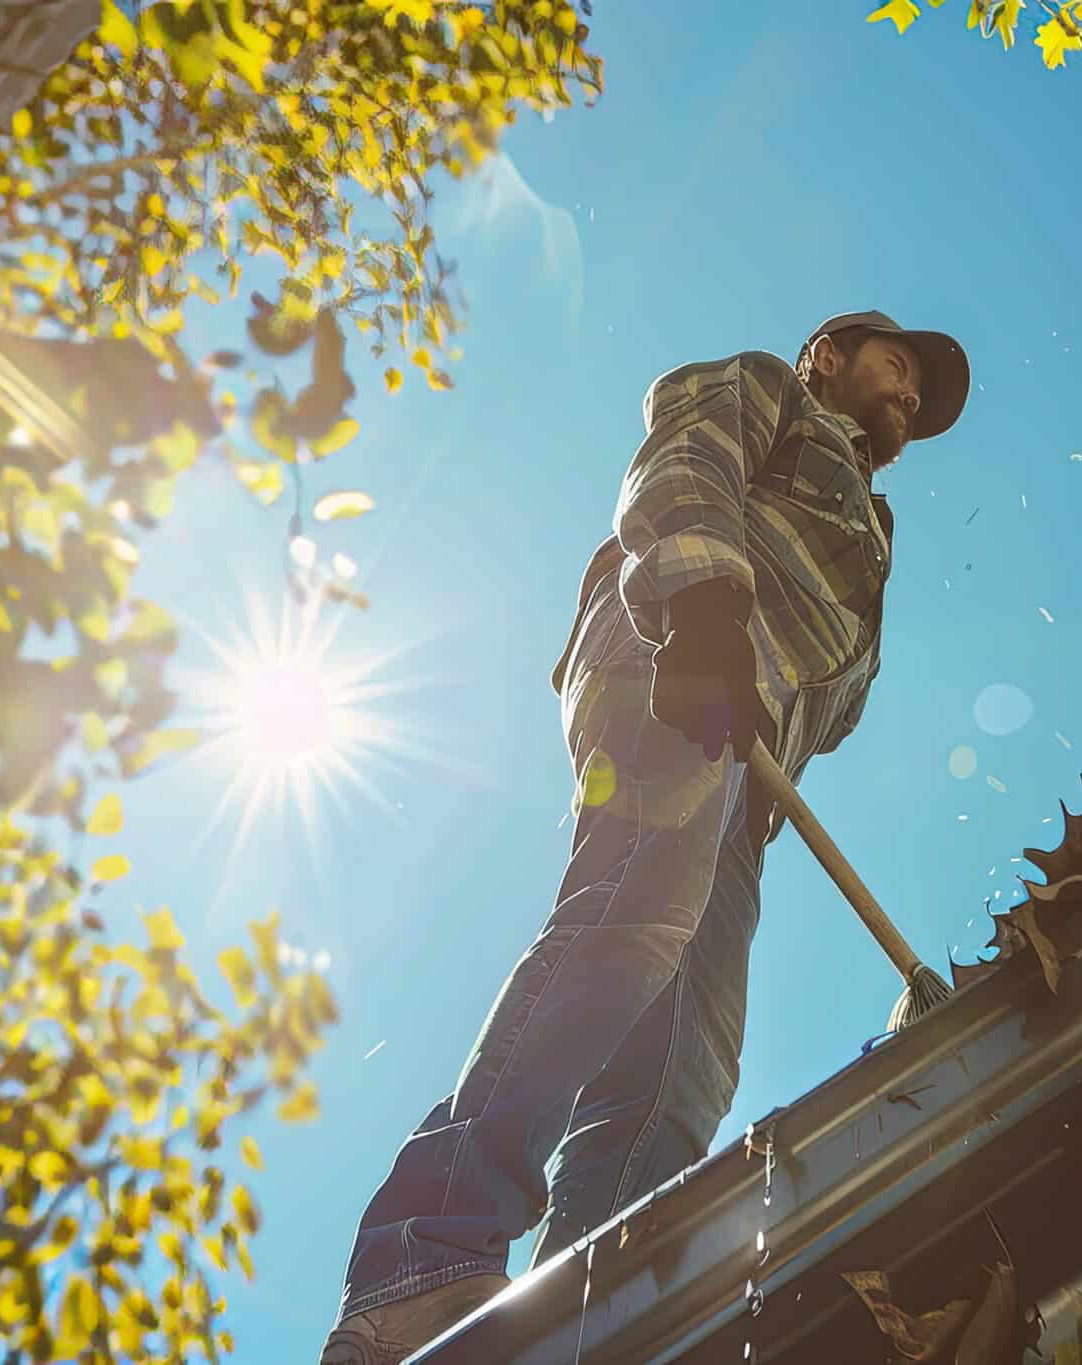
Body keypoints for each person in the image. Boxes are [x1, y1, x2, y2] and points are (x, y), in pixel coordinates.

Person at [320, 310, 971, 1363]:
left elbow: (829, 705)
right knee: (634, 911)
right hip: (678, 651)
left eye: (918, 398)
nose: (909, 395)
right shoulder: (773, 391)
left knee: (685, 1075)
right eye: (896, 366)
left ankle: (579, 1322)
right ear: (827, 356)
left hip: (747, 768)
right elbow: (683, 451)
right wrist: (703, 606)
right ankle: (420, 1262)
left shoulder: (876, 539)